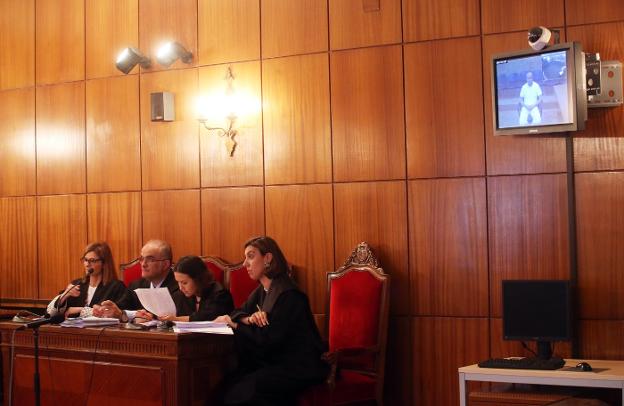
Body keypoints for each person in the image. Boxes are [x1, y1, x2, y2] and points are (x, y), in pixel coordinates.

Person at [214, 236, 328, 405]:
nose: (245, 264)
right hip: (273, 362)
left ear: (267, 258)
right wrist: (248, 319)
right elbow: (237, 312)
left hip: (297, 366)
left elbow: (270, 340)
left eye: (251, 256)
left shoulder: (288, 294)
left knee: (241, 393)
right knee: (221, 388)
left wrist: (237, 325)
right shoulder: (262, 290)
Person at [93, 239, 179, 322]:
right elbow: (120, 308)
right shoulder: (136, 285)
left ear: (165, 264)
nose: (143, 264)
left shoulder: (180, 287)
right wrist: (108, 309)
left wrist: (135, 316)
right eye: (141, 258)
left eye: (150, 259)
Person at [46, 241, 127, 318]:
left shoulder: (117, 287)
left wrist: (73, 310)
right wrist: (65, 296)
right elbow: (50, 312)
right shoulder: (77, 285)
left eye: (92, 260)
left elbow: (114, 314)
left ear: (104, 263)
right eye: (85, 260)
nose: (87, 264)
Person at [152, 255, 233, 322]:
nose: (180, 288)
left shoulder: (220, 295)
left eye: (184, 283)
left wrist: (176, 319)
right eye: (178, 282)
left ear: (199, 279)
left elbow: (205, 318)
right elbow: (166, 313)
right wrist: (152, 315)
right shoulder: (179, 295)